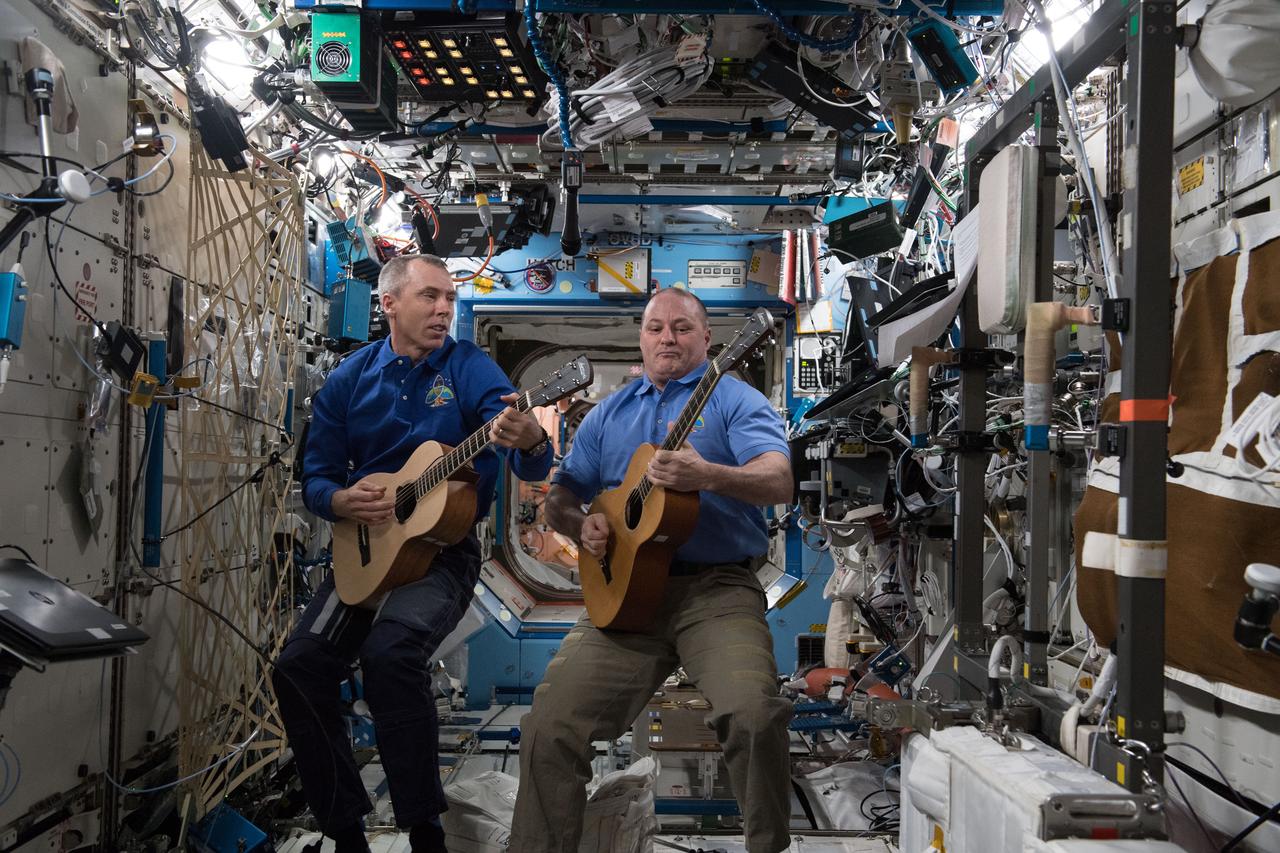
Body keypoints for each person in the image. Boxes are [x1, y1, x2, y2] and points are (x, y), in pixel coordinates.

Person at [274, 255, 552, 853]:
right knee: (299, 667)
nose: (444, 310)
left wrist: (529, 436)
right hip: (365, 549)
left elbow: (526, 450)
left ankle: (425, 830)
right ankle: (346, 831)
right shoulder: (349, 378)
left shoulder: (470, 367)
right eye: (429, 297)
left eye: (449, 299)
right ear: (389, 304)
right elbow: (317, 480)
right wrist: (342, 500)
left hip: (442, 552)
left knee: (391, 653)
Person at [509, 288, 795, 853]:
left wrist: (708, 474)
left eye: (683, 328)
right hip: (623, 591)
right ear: (641, 337)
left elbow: (777, 481)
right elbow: (562, 496)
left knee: (754, 714)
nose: (668, 338)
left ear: (708, 340)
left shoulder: (736, 400)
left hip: (715, 590)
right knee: (547, 727)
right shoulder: (611, 412)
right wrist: (580, 525)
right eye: (656, 327)